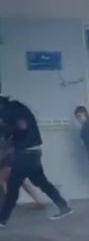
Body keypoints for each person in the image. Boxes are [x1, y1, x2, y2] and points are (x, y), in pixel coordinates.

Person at [0, 96, 71, 227]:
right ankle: (64, 206)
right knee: (41, 182)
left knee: (13, 186)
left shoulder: (12, 110)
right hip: (33, 150)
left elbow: (22, 125)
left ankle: (2, 219)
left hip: (26, 152)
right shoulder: (16, 107)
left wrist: (6, 130)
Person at [1, 113, 45, 209]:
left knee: (3, 179)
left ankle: (6, 204)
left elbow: (7, 145)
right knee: (20, 181)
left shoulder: (6, 130)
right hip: (14, 157)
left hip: (9, 158)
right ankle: (37, 199)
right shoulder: (11, 129)